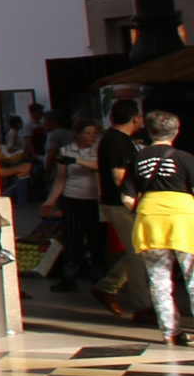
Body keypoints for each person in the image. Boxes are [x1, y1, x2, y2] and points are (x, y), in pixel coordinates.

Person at [129, 111, 194, 346]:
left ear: (150, 131)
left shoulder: (137, 159)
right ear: (176, 131)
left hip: (150, 221)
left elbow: (127, 198)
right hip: (184, 221)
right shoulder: (185, 158)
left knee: (158, 279)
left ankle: (170, 332)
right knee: (192, 278)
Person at [97, 100, 154, 318]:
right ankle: (142, 306)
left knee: (138, 251)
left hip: (118, 203)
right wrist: (137, 200)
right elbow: (119, 176)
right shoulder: (117, 141)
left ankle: (107, 287)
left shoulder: (117, 140)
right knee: (138, 254)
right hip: (120, 204)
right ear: (135, 118)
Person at [45, 119, 101, 289]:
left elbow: (100, 166)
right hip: (72, 197)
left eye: (94, 133)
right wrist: (50, 201)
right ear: (77, 134)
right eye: (87, 133)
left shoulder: (98, 149)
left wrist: (77, 161)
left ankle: (99, 276)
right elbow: (61, 178)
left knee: (96, 238)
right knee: (72, 238)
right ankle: (70, 277)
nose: (92, 136)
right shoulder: (66, 150)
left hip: (94, 199)